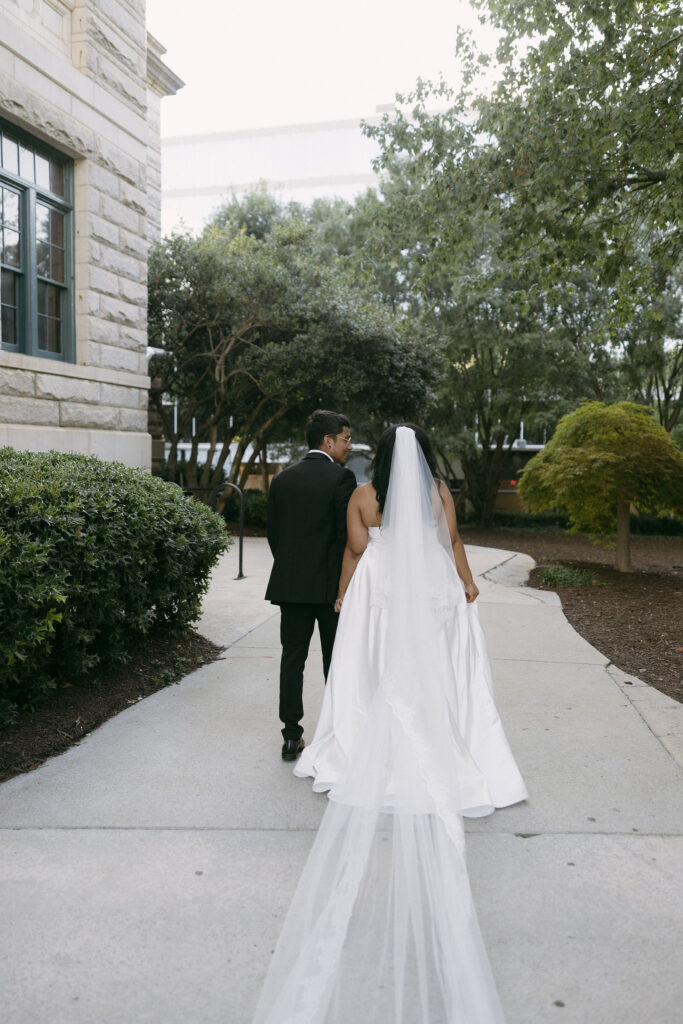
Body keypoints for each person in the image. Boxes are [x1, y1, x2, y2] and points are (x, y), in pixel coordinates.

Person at [252, 424, 528, 1023]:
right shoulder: (440, 494)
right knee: (434, 676)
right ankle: (439, 739)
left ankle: (362, 741)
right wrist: (468, 581)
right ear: (426, 455)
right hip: (431, 589)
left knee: (376, 674)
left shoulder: (363, 494)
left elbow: (356, 548)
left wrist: (346, 595)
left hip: (382, 587)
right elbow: (452, 543)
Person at [265, 409, 356, 761]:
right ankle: (335, 734)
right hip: (330, 590)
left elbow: (275, 536)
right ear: (328, 440)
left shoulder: (282, 479)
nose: (350, 446)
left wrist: (292, 570)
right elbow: (343, 536)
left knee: (292, 660)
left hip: (291, 586)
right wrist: (340, 587)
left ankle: (291, 736)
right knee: (335, 661)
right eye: (346, 439)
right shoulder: (341, 479)